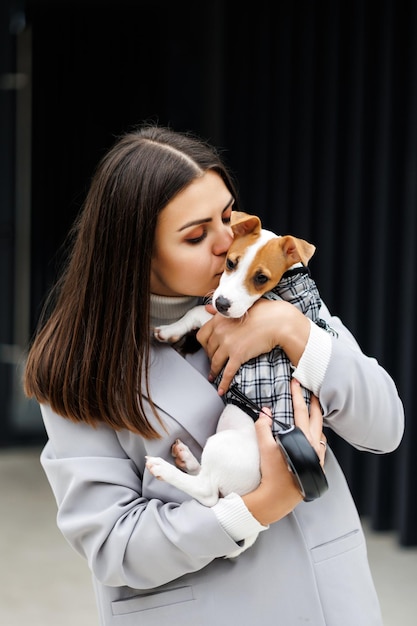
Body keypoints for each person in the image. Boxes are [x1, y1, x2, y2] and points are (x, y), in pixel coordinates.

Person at [23, 125, 404, 626]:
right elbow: (115, 546)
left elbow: (385, 428)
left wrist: (294, 333)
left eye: (228, 215)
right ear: (135, 251)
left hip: (328, 604)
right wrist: (255, 508)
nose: (229, 241)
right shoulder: (81, 365)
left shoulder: (282, 295)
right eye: (197, 235)